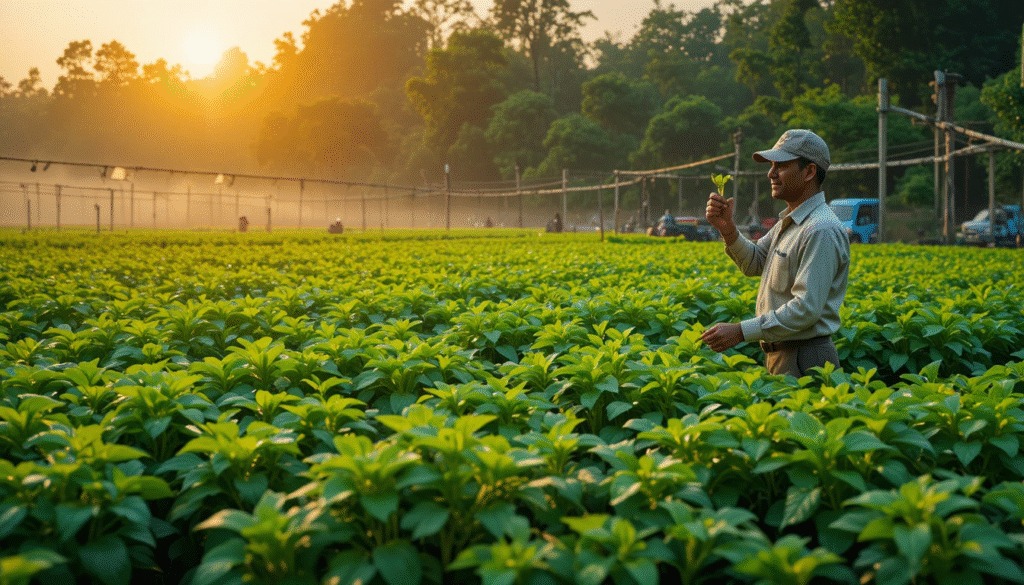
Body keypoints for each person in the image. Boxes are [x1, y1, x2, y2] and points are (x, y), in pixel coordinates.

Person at [702, 129, 850, 377]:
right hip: (783, 355)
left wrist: (740, 331)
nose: (771, 173)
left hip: (805, 358)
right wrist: (728, 230)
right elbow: (754, 263)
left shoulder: (820, 229)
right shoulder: (789, 222)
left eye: (780, 165)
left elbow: (806, 308)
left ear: (809, 172)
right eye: (771, 165)